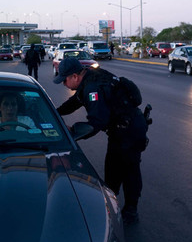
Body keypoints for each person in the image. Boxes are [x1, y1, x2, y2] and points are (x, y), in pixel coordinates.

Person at [54, 58, 149, 224]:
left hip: (129, 131)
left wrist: (72, 132)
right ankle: (113, 204)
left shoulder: (93, 87)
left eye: (65, 80)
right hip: (123, 128)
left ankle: (130, 211)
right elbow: (76, 101)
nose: (64, 84)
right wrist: (55, 113)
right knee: (113, 167)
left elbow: (97, 122)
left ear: (75, 76)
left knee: (128, 170)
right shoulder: (92, 77)